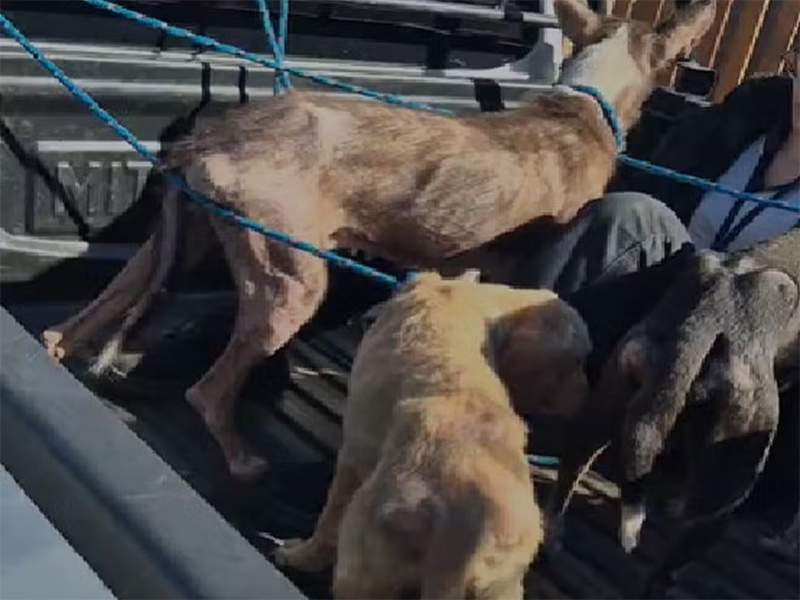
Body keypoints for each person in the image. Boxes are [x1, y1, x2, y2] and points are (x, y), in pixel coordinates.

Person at [490, 38, 799, 557]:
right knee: (626, 213)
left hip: (746, 363)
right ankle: (475, 404)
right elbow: (641, 185)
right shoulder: (751, 113)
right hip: (652, 305)